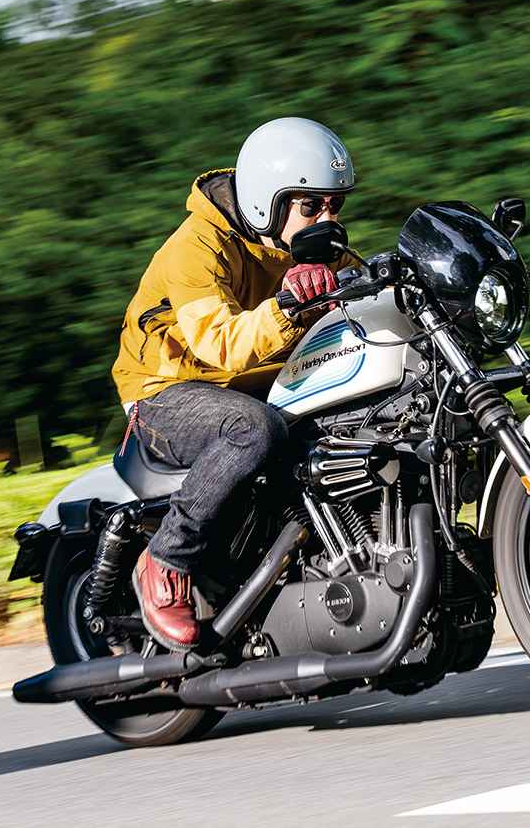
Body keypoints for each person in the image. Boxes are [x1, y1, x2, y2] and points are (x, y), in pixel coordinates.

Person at [111, 117, 355, 651]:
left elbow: (362, 291)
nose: (328, 217)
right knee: (252, 429)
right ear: (269, 201)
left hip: (258, 381)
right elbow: (219, 343)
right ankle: (166, 559)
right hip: (167, 389)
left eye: (335, 204)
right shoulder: (195, 247)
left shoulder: (314, 245)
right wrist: (289, 308)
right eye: (312, 205)